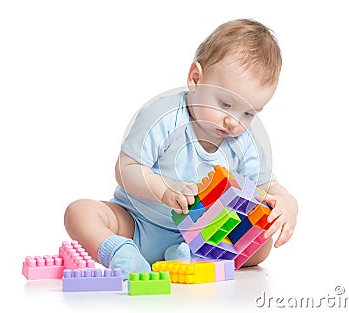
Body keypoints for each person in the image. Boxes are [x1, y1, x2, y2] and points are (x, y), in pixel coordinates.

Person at [64, 18, 298, 278]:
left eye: (249, 113)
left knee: (262, 244)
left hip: (204, 239)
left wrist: (287, 202)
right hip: (138, 225)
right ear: (196, 78)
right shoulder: (162, 117)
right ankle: (122, 253)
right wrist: (163, 189)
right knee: (80, 212)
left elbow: (265, 187)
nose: (234, 122)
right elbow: (125, 169)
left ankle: (189, 257)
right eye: (225, 104)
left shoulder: (245, 142)